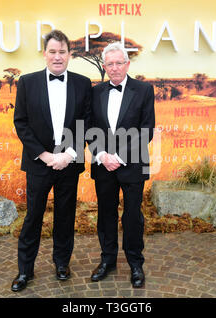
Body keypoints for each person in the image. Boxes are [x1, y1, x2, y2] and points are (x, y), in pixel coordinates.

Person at [12, 30, 91, 292]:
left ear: (70, 54)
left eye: (62, 52)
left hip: (69, 164)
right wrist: (45, 156)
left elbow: (86, 123)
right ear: (45, 54)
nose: (58, 57)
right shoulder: (27, 82)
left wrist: (68, 155)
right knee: (33, 216)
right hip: (39, 163)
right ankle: (25, 271)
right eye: (53, 52)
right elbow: (21, 123)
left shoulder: (82, 83)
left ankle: (61, 263)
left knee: (65, 216)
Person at [88, 42, 155, 288]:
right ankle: (107, 261)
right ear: (104, 67)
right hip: (103, 164)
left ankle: (136, 264)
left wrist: (119, 156)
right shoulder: (95, 92)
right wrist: (103, 155)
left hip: (133, 164)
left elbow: (146, 129)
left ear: (127, 64)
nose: (115, 68)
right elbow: (87, 128)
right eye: (110, 64)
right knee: (105, 214)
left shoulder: (144, 90)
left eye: (119, 63)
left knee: (132, 216)